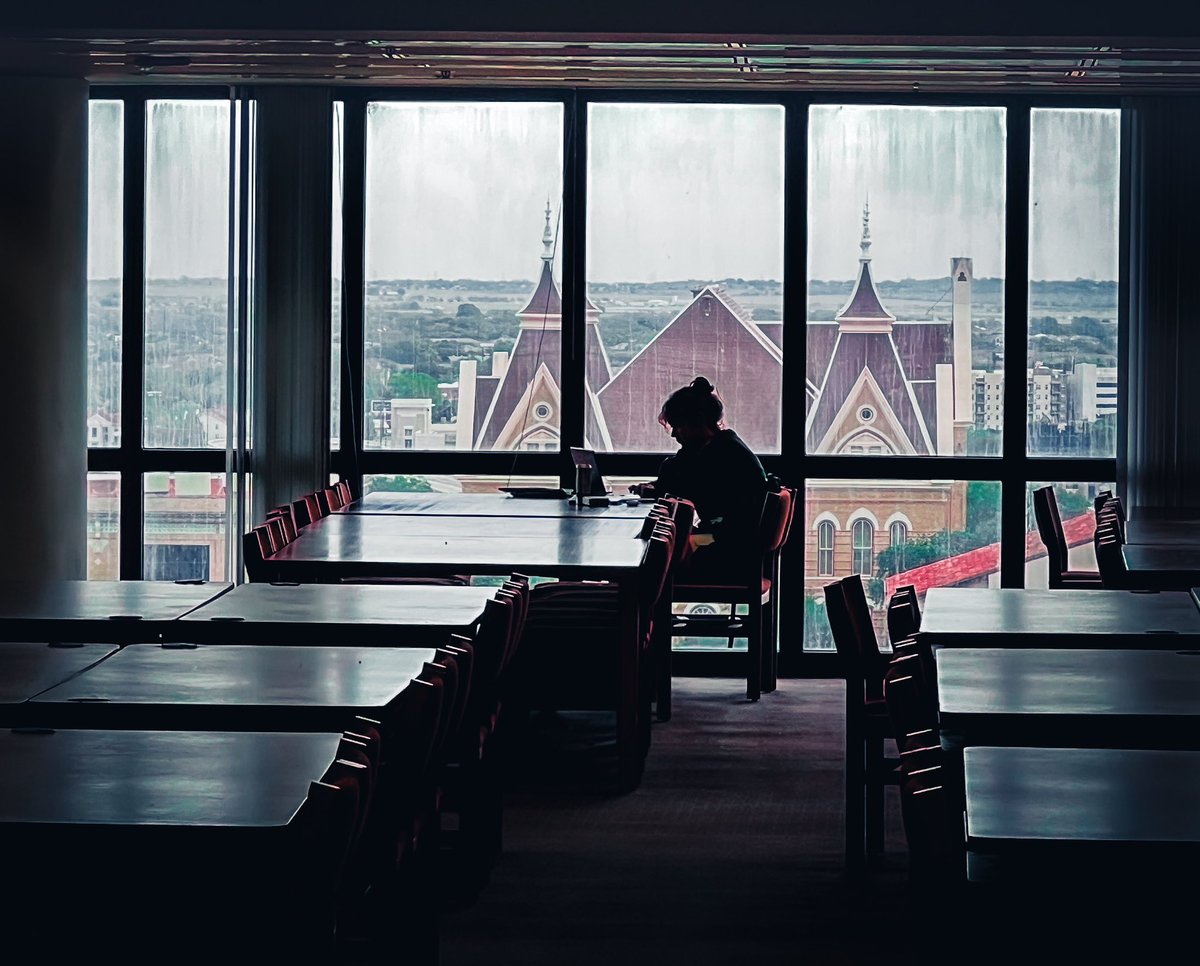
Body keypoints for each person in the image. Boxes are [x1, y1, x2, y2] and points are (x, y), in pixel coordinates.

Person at [632, 377, 768, 579]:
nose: (674, 436)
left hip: (728, 554)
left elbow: (677, 484)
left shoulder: (719, 455)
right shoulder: (726, 445)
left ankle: (638, 607)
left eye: (678, 426)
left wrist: (661, 483)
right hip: (736, 547)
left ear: (694, 422)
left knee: (650, 557)